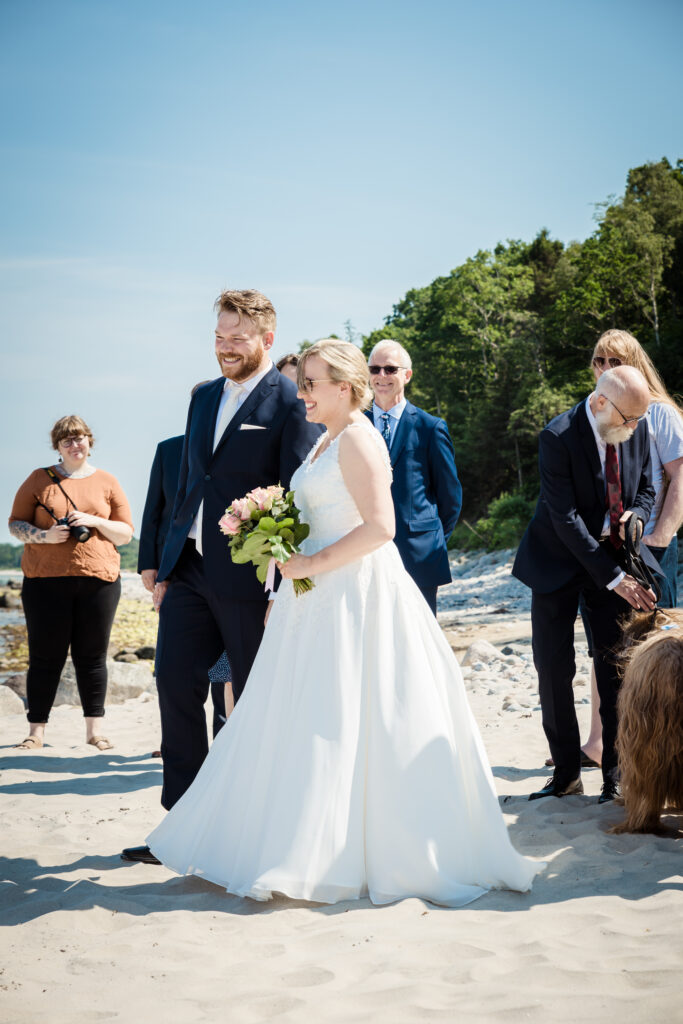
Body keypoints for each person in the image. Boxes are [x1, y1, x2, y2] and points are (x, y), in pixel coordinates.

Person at [141, 340, 543, 906]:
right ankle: (296, 841)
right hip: (312, 598)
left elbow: (381, 527)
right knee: (305, 717)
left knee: (352, 717)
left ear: (344, 388)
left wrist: (309, 564)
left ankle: (345, 852)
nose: (300, 393)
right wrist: (277, 547)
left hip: (356, 594)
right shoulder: (324, 440)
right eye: (302, 382)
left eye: (310, 383)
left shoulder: (358, 438)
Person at [121, 289, 322, 865]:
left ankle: (258, 828)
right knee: (174, 684)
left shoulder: (289, 401)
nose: (226, 348)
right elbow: (188, 482)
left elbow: (296, 494)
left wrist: (279, 584)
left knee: (254, 701)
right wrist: (162, 558)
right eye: (219, 337)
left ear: (266, 339)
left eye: (237, 338)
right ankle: (182, 827)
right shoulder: (204, 396)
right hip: (188, 572)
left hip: (250, 577)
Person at [513, 367, 662, 804]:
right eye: (627, 420)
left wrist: (636, 512)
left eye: (639, 420)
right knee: (553, 669)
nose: (634, 429)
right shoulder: (556, 437)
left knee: (613, 668)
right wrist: (614, 578)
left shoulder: (635, 422)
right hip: (557, 560)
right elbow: (565, 519)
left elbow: (649, 486)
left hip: (612, 555)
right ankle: (565, 775)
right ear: (600, 404)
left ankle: (614, 773)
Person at [554, 330, 683, 770]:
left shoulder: (658, 414)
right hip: (614, 551)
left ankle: (656, 750)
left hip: (649, 548)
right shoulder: (598, 411)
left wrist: (658, 537)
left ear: (634, 364)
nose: (604, 368)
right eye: (598, 360)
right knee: (608, 647)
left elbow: (677, 479)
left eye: (615, 360)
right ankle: (601, 741)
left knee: (656, 654)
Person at [9, 415, 134, 751]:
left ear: (90, 441)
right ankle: (36, 732)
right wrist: (45, 536)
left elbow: (125, 534)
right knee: (44, 657)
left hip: (100, 581)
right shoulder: (39, 479)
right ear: (58, 447)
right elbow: (15, 524)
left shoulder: (107, 481)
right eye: (67, 440)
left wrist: (93, 520)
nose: (75, 445)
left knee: (93, 657)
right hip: (44, 581)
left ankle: (95, 731)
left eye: (79, 438)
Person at [137, 429, 229, 751]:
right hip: (177, 567)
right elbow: (154, 510)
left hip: (232, 569)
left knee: (225, 672)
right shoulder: (169, 449)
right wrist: (150, 563)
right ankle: (178, 747)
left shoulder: (238, 445)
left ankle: (223, 744)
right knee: (174, 669)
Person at [365, 339, 462, 615]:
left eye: (390, 369)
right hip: (364, 553)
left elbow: (450, 497)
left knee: (420, 645)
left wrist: (431, 539)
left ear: (406, 375)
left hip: (420, 556)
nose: (381, 376)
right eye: (375, 369)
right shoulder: (354, 425)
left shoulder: (431, 427)